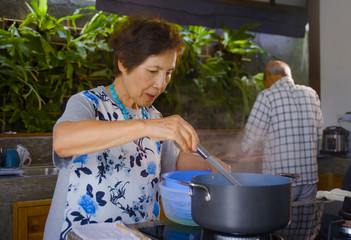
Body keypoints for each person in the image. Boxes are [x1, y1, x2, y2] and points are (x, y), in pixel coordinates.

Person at [44, 16, 230, 240]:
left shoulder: (153, 116)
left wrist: (209, 165)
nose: (161, 84)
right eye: (153, 71)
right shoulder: (89, 103)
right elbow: (64, 142)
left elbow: (173, 161)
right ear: (123, 62)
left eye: (168, 73)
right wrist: (146, 127)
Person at [240, 60, 323, 201]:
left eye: (264, 80)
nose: (265, 84)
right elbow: (319, 133)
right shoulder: (311, 94)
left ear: (269, 76)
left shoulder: (267, 96)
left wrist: (242, 151)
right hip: (309, 177)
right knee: (306, 221)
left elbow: (252, 135)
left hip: (281, 180)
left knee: (278, 221)